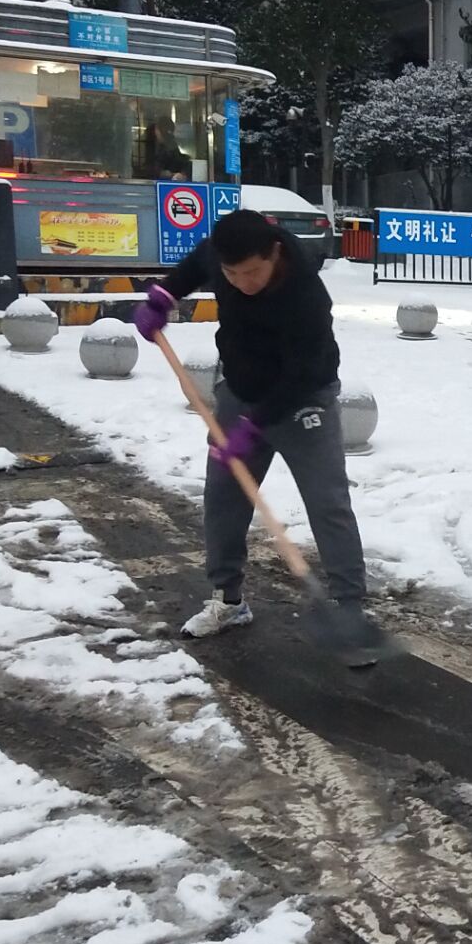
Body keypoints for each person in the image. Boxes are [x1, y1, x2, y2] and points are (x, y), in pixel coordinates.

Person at [133, 208, 387, 657]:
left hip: (304, 398)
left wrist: (254, 426)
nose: (241, 282)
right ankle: (227, 600)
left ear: (274, 253)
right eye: (231, 274)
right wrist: (163, 296)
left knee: (326, 501)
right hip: (240, 390)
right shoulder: (223, 257)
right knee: (223, 496)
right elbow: (198, 263)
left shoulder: (305, 295)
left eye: (251, 272)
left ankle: (349, 607)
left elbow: (302, 373)